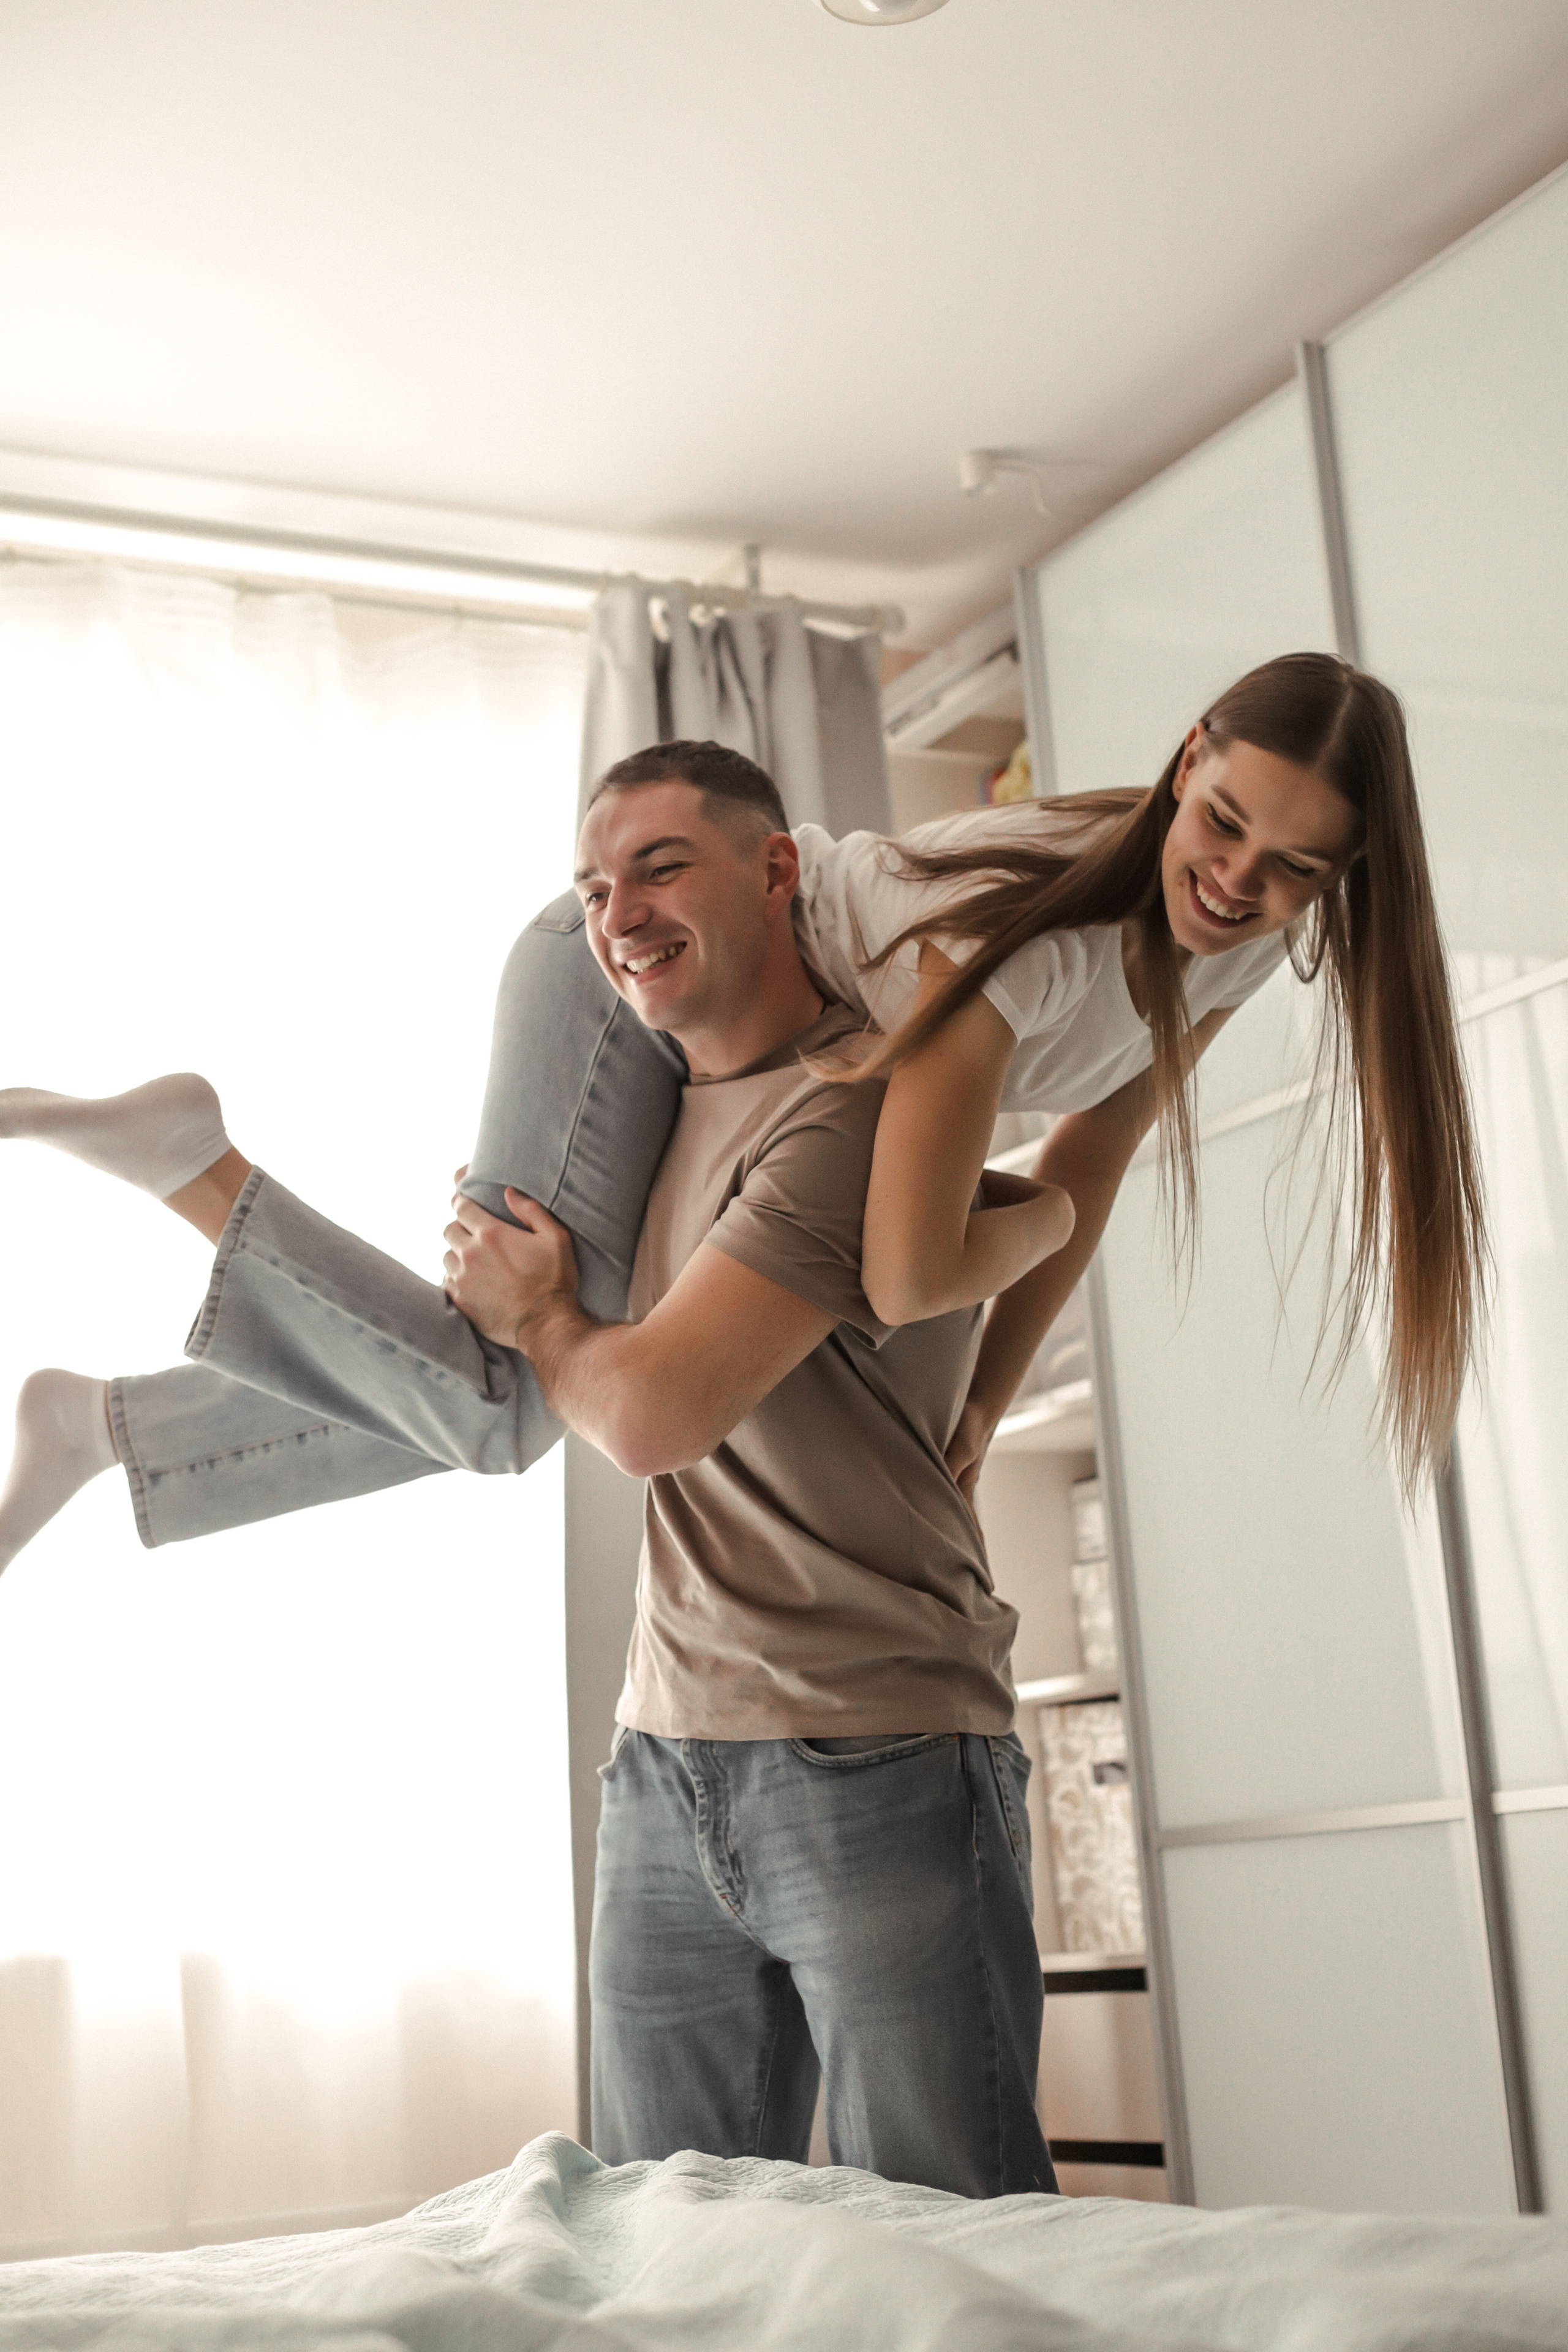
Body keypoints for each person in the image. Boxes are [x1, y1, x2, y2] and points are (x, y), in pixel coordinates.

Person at [0, 652, 1483, 1575]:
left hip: (716, 1000)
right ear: (1186, 765)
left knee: (496, 1398)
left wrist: (976, 1409)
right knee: (509, 1392)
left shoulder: (1220, 948)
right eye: (1222, 821)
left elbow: (1088, 1152)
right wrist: (1025, 1225)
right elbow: (933, 1263)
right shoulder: (1025, 946)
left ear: (1335, 884)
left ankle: (103, 1422)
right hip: (631, 963)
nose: (1234, 881)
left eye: (1293, 869)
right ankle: (192, 1171)